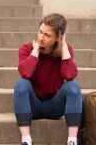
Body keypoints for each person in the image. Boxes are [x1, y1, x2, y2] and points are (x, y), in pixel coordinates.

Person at [13, 13, 82, 145]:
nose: (41, 37)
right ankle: (26, 140)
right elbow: (25, 73)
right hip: (33, 106)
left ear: (58, 38)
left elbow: (69, 76)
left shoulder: (65, 53)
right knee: (21, 84)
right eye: (40, 32)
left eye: (47, 35)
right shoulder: (26, 49)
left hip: (55, 106)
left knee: (73, 86)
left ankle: (72, 141)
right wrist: (36, 52)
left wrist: (64, 48)